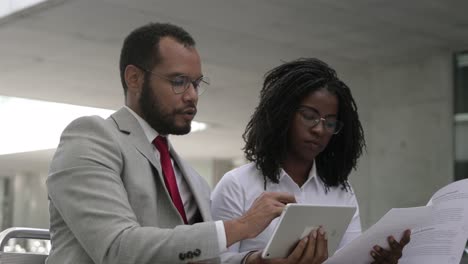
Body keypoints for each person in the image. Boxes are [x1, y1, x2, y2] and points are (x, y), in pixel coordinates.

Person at [46, 22, 296, 264]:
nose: (192, 96)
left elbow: (196, 252)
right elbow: (117, 248)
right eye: (178, 82)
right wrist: (242, 226)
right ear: (134, 78)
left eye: (196, 83)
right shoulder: (91, 136)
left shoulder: (192, 179)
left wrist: (252, 261)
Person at [211, 58, 411, 264]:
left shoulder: (341, 191)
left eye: (330, 123)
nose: (319, 130)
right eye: (309, 116)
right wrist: (257, 261)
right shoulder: (236, 184)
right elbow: (213, 260)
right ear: (282, 114)